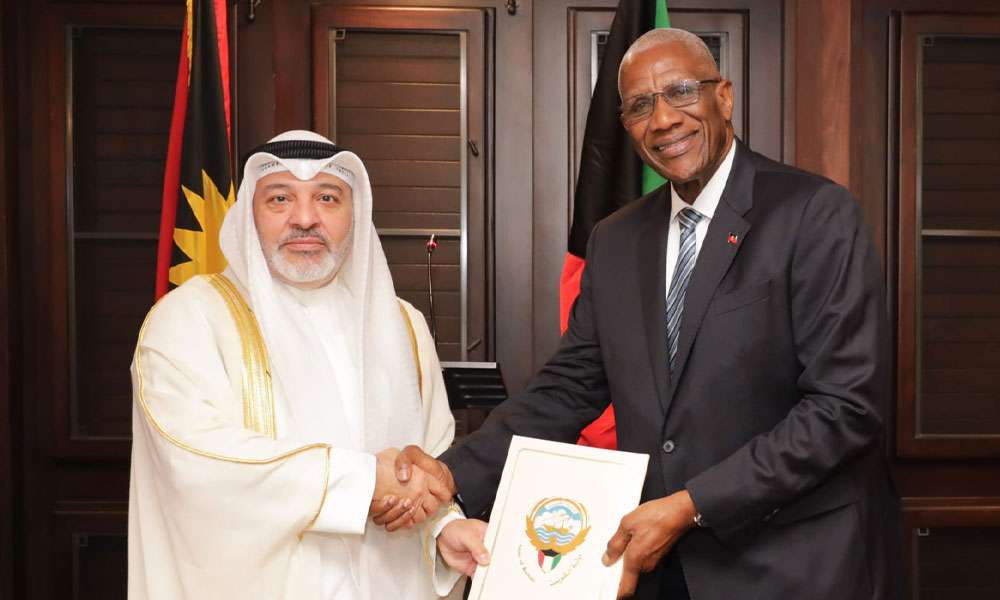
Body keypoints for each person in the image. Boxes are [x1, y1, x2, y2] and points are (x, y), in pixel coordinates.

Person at [394, 28, 902, 600]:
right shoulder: (616, 239)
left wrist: (693, 505)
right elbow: (568, 388)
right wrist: (452, 475)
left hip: (797, 566)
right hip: (664, 572)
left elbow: (845, 406)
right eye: (640, 106)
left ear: (724, 97)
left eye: (681, 92)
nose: (662, 120)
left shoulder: (813, 214)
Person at [128, 130, 487, 600]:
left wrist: (444, 528)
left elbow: (429, 459)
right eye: (280, 198)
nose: (304, 219)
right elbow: (196, 462)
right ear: (248, 215)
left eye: (327, 197)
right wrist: (360, 482)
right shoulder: (190, 319)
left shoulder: (402, 324)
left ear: (355, 213)